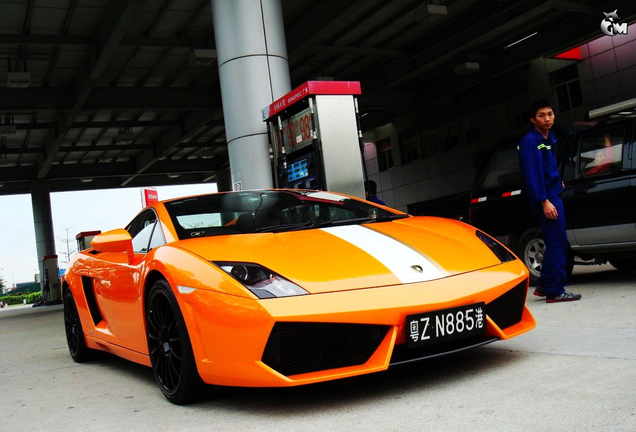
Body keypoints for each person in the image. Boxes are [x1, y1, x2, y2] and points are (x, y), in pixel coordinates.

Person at [517, 99, 581, 303]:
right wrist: (544, 201)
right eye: (542, 115)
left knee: (556, 240)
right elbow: (533, 174)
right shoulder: (530, 142)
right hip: (545, 198)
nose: (547, 118)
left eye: (550, 114)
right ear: (532, 119)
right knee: (556, 242)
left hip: (552, 192)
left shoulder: (548, 138)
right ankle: (555, 291)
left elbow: (547, 169)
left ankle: (545, 285)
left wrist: (557, 182)